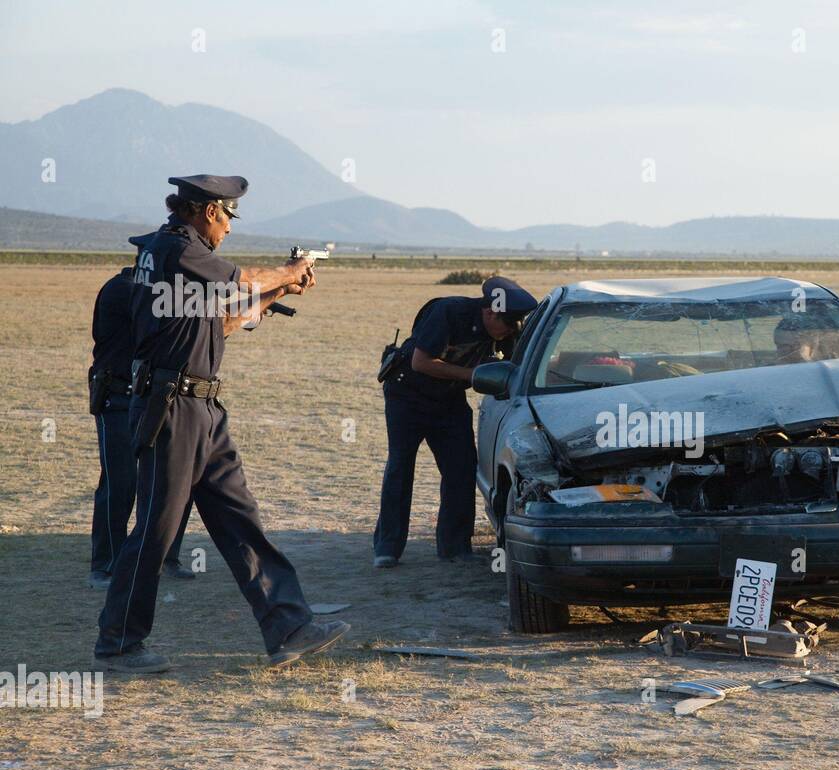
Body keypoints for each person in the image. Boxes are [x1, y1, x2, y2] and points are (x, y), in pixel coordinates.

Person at [95, 174, 349, 673]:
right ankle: (119, 644)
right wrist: (287, 269)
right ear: (209, 211)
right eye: (229, 217)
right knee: (155, 530)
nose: (230, 228)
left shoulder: (175, 259)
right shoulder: (177, 248)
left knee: (239, 518)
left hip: (202, 408)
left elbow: (223, 323)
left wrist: (280, 291)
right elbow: (240, 280)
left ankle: (288, 626)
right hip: (175, 407)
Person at [373, 276, 538, 568]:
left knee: (461, 468)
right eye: (508, 324)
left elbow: (516, 365)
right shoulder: (449, 312)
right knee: (400, 466)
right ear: (489, 312)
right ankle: (387, 548)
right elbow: (421, 362)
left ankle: (455, 546)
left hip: (448, 401)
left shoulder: (505, 328)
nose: (511, 331)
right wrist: (472, 375)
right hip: (406, 396)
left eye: (515, 325)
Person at [88, 266, 194, 589]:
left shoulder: (150, 290)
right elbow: (164, 321)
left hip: (150, 397)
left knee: (175, 478)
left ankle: (164, 557)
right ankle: (105, 566)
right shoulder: (125, 289)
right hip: (116, 397)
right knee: (121, 482)